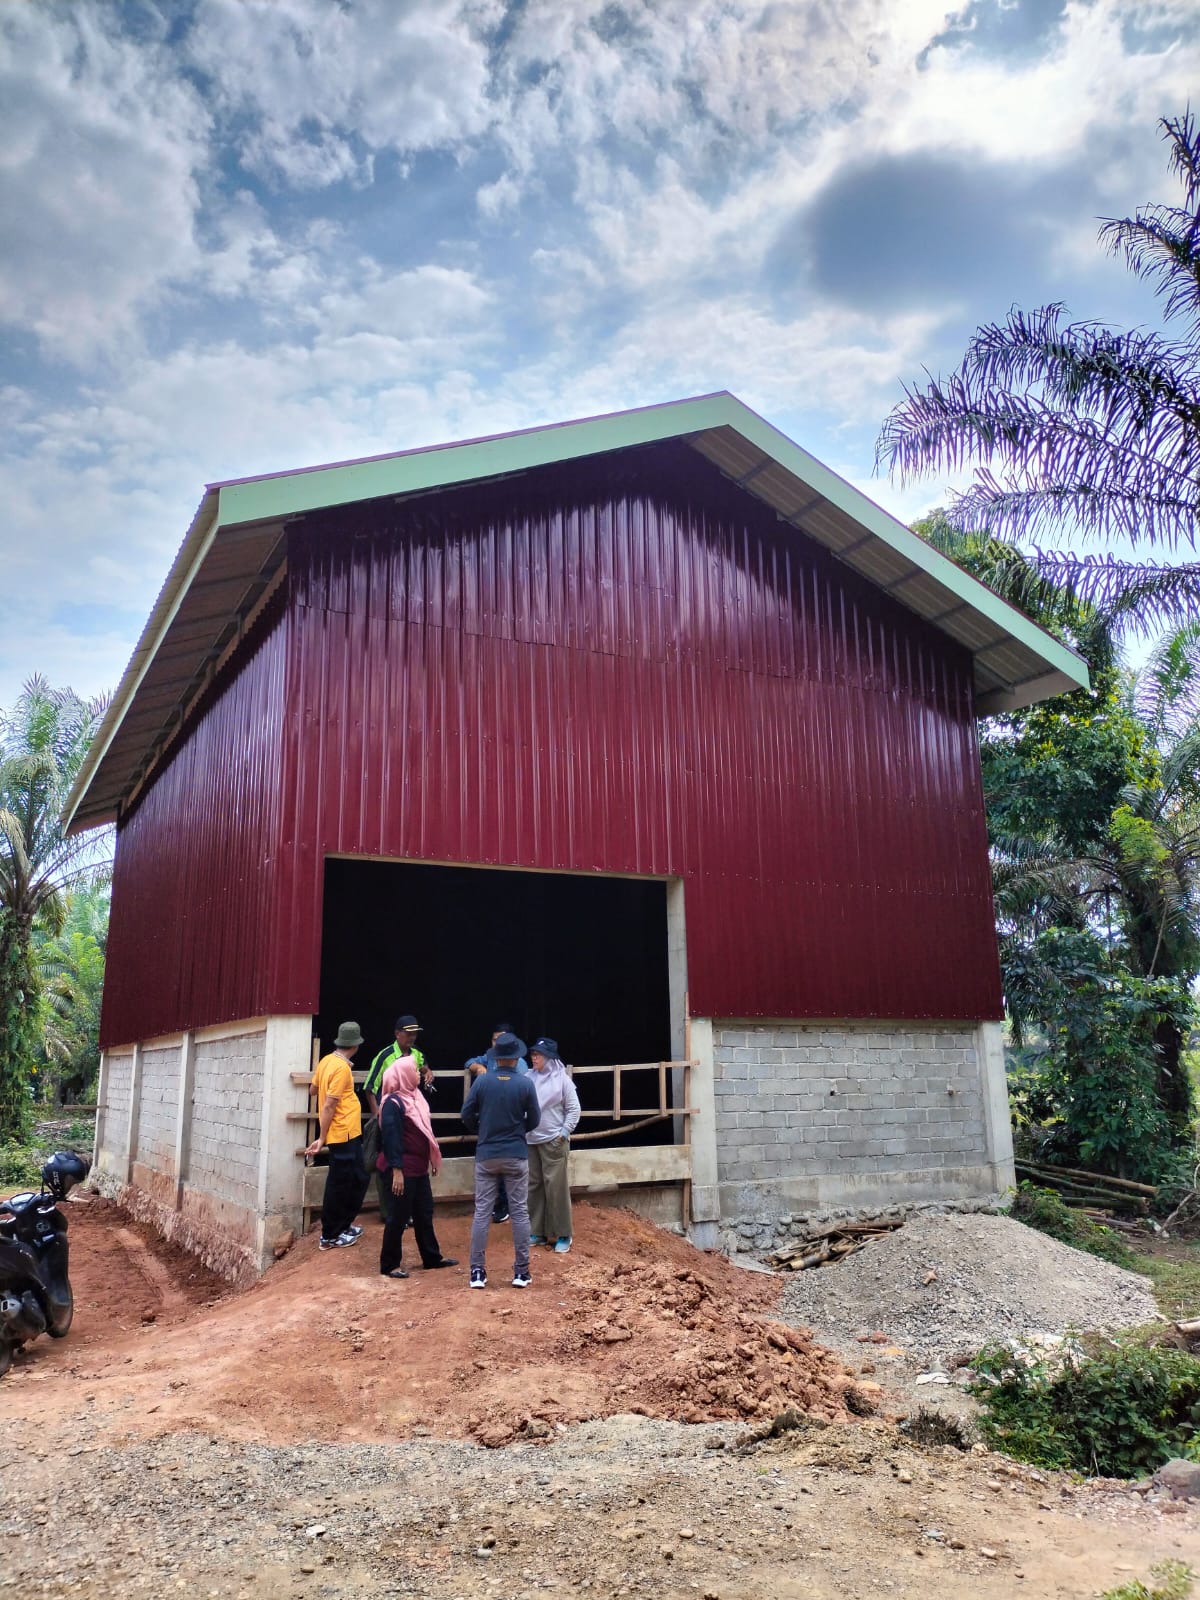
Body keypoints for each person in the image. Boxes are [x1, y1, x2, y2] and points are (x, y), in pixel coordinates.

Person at [460, 1032, 541, 1289]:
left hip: (487, 1154)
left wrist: (480, 1130)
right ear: (516, 1058)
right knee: (519, 1212)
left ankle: (477, 1272)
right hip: (516, 1153)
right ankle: (520, 1271)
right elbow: (535, 1119)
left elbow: (466, 1113)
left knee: (482, 1212)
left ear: (496, 1057)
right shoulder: (525, 1084)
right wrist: (519, 1131)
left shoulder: (483, 1082)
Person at [377, 1055, 458, 1279]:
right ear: (403, 1075)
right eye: (413, 1071)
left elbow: (425, 1131)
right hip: (402, 1169)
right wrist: (397, 1171)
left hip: (418, 1167)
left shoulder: (416, 1097)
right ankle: (389, 1264)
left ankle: (432, 1257)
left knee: (424, 1212)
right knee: (398, 1216)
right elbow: (391, 1139)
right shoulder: (392, 1103)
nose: (417, 1074)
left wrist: (431, 1157)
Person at [304, 1021, 370, 1250]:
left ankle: (343, 1226)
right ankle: (330, 1235)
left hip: (347, 1133)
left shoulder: (326, 1061)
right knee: (340, 1184)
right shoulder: (341, 1068)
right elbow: (330, 1104)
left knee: (357, 1178)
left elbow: (313, 1089)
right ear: (355, 1045)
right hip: (341, 1133)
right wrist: (322, 1137)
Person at [364, 1014, 434, 1223]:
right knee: (385, 1162)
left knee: (410, 1162)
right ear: (397, 1034)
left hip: (410, 1121)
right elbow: (369, 1087)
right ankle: (389, 1214)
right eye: (408, 1033)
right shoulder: (385, 1056)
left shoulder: (417, 1055)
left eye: (414, 1034)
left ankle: (407, 1212)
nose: (412, 1037)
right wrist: (379, 1116)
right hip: (390, 1117)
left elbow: (423, 1067)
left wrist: (427, 1072)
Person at [465, 1023, 529, 1225]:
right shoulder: (489, 1058)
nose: (496, 1043)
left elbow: (466, 1112)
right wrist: (478, 1067)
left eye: (500, 1038)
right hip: (497, 1131)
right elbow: (470, 1062)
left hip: (507, 1128)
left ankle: (503, 1206)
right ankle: (502, 1208)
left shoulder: (521, 1069)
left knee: (498, 1184)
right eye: (494, 1039)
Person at [526, 1037, 581, 1254]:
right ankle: (537, 1231)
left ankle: (563, 1234)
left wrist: (564, 1133)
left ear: (550, 1057)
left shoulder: (562, 1080)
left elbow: (574, 1109)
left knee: (556, 1188)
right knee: (534, 1186)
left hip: (553, 1141)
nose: (534, 1057)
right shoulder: (528, 1077)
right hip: (531, 1140)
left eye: (538, 1054)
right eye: (533, 1054)